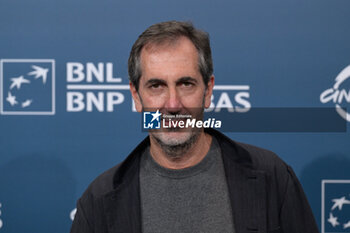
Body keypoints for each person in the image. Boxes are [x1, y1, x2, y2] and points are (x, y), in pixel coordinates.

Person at [70, 21, 319, 233]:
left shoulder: (272, 178)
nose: (173, 105)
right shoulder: (99, 202)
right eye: (156, 86)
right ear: (136, 96)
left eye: (186, 84)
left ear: (208, 90)